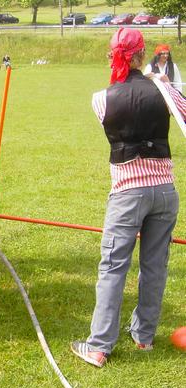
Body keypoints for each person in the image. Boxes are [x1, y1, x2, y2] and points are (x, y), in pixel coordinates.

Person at [71, 28, 186, 368]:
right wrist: (159, 81)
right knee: (154, 266)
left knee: (113, 267)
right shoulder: (163, 88)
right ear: (142, 54)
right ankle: (143, 338)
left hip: (127, 193)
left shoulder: (100, 98)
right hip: (165, 192)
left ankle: (98, 346)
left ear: (113, 55)